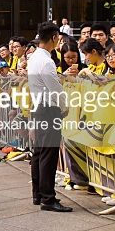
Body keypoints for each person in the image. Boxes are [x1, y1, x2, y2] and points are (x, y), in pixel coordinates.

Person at [29, 21, 71, 212]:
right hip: (48, 109)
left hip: (39, 108)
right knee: (48, 153)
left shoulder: (34, 58)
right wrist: (64, 107)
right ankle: (48, 197)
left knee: (39, 152)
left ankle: (38, 194)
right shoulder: (46, 61)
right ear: (54, 37)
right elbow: (55, 89)